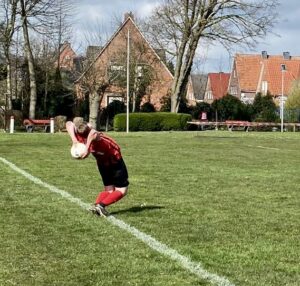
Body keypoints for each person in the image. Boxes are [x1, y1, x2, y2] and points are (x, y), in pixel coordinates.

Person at [66, 117, 129, 217]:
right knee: (122, 190)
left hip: (103, 162)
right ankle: (100, 206)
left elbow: (70, 124)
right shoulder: (90, 135)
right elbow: (72, 124)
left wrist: (81, 145)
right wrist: (77, 143)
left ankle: (96, 206)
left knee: (109, 190)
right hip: (114, 160)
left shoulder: (84, 135)